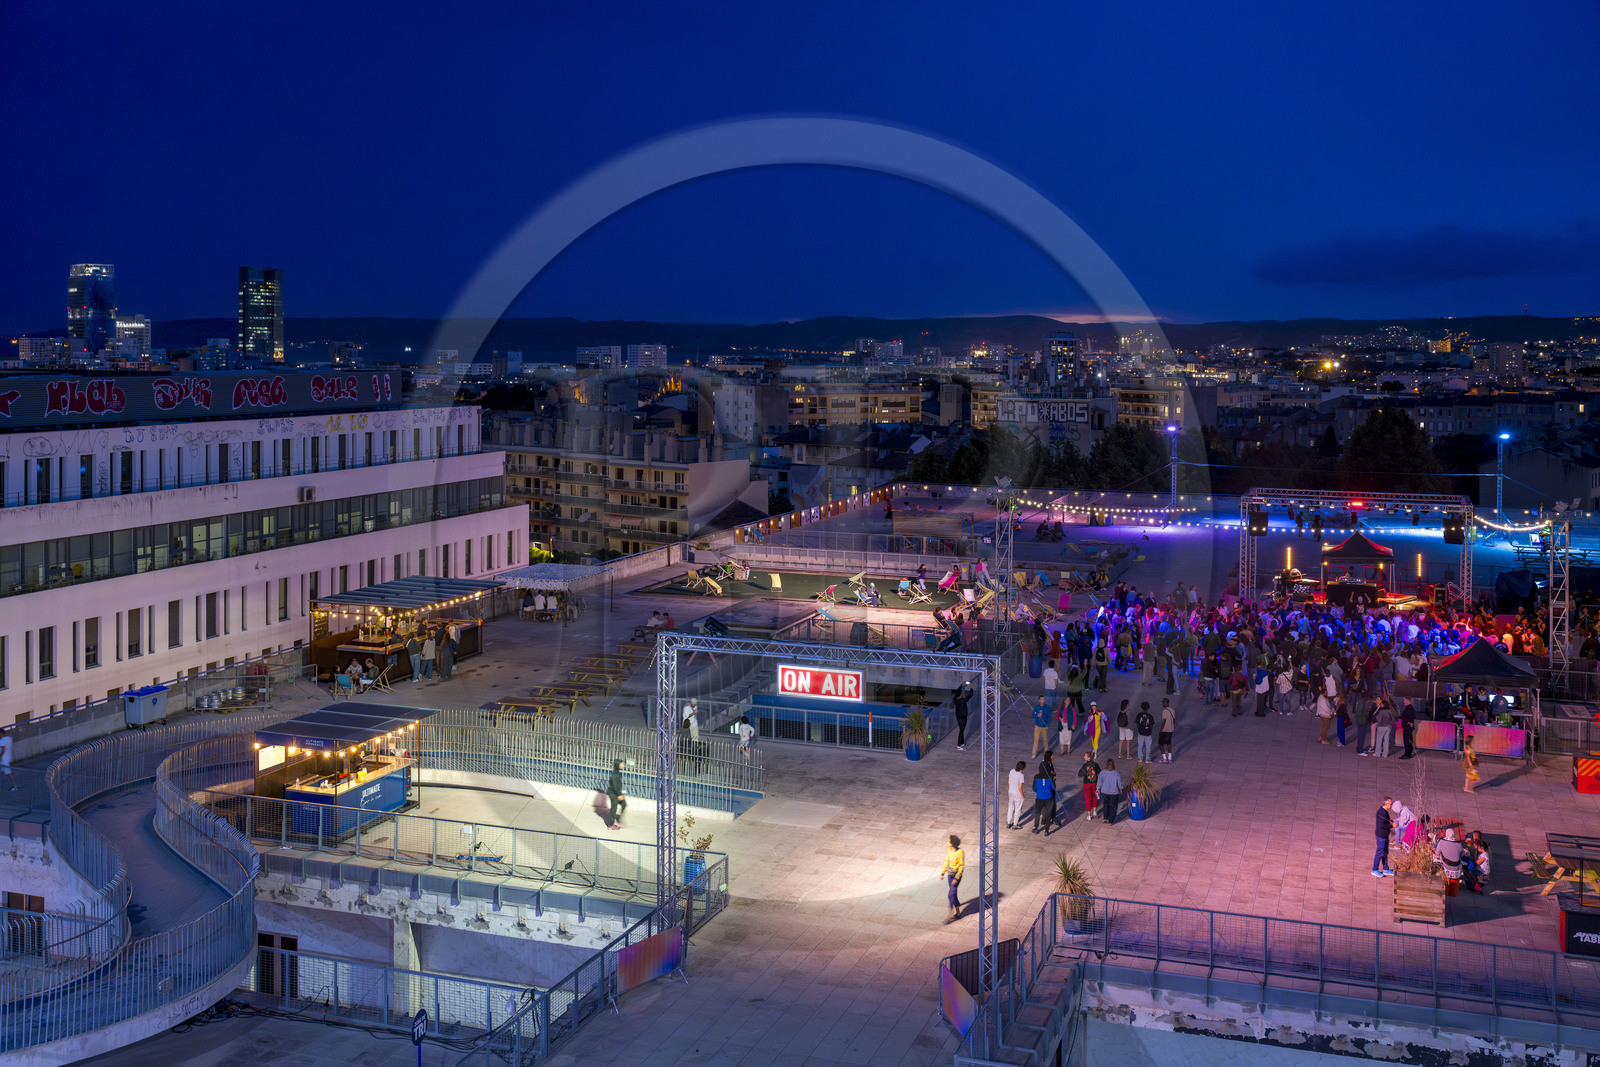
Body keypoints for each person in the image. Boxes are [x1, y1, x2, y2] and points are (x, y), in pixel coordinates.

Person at [940, 835, 965, 923]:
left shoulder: (960, 852)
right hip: (949, 875)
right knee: (953, 894)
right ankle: (958, 913)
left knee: (951, 894)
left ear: (952, 843)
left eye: (948, 842)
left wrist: (957, 878)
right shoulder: (949, 850)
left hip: (956, 877)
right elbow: (946, 861)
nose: (947, 843)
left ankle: (950, 915)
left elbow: (961, 866)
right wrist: (943, 873)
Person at [1434, 828, 1466, 896]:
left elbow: (1437, 853)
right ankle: (1453, 894)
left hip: (1446, 868)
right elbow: (1463, 855)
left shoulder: (1441, 842)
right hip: (1456, 869)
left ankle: (1446, 892)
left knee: (1446, 879)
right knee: (1455, 882)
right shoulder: (1458, 844)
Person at [1031, 762, 1057, 836]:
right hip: (1048, 798)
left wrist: (1039, 791)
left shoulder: (1036, 776)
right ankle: (1047, 830)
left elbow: (1034, 788)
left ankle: (1035, 827)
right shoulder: (1050, 777)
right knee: (1048, 814)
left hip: (1039, 798)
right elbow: (1053, 788)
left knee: (1037, 813)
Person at [1096, 759, 1123, 825]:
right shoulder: (1116, 773)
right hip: (1114, 793)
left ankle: (1105, 817)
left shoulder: (1102, 772)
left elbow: (1099, 781)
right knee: (1113, 806)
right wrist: (1121, 789)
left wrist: (1097, 788)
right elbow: (1119, 783)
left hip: (1104, 792)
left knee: (1105, 805)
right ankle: (1111, 821)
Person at [1373, 798, 1395, 877]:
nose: (1391, 805)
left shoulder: (1384, 812)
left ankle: (1385, 868)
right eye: (1390, 804)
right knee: (1380, 852)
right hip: (1381, 836)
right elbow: (1382, 825)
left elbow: (1385, 822)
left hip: (1385, 836)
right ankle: (1375, 869)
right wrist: (1392, 825)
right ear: (1386, 804)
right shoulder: (1382, 813)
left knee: (1385, 852)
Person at [1077, 751, 1100, 820]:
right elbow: (1100, 772)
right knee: (1094, 797)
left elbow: (1079, 774)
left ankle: (1089, 815)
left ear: (1088, 758)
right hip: (1095, 783)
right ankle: (1095, 812)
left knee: (1088, 799)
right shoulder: (1095, 764)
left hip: (1087, 784)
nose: (1084, 757)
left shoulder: (1085, 765)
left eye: (1085, 756)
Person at [606, 759, 627, 829]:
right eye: (622, 764)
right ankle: (611, 825)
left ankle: (619, 820)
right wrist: (619, 795)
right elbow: (615, 786)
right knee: (614, 809)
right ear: (618, 765)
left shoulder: (618, 773)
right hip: (613, 794)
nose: (623, 765)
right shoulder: (615, 775)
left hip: (617, 793)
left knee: (624, 804)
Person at [1007, 761, 1028, 829]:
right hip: (1017, 794)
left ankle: (1008, 822)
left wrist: (1011, 789)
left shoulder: (1012, 771)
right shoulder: (1021, 775)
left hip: (1010, 791)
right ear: (1023, 768)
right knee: (1018, 809)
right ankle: (1015, 824)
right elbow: (1020, 787)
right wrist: (1022, 795)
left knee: (1010, 807)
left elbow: (1009, 782)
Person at [952, 682, 973, 751]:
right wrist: (971, 688)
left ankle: (962, 743)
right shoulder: (963, 701)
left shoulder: (955, 700)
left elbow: (956, 693)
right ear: (960, 695)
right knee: (961, 731)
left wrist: (961, 685)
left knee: (962, 730)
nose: (962, 694)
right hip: (963, 717)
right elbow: (970, 695)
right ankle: (959, 745)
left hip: (958, 717)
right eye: (961, 694)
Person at [1158, 698, 1176, 763]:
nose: (1162, 704)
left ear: (1166, 703)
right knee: (1169, 743)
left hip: (1165, 730)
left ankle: (1164, 758)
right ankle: (1170, 758)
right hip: (1170, 730)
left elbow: (1164, 721)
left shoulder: (1164, 711)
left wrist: (1161, 729)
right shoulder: (1172, 710)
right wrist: (1172, 726)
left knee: (1160, 744)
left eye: (1163, 703)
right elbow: (1174, 720)